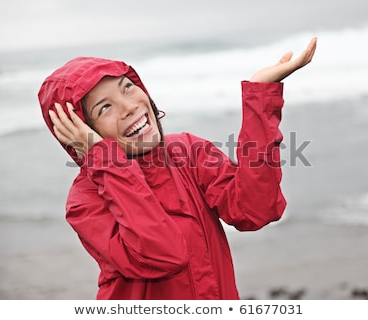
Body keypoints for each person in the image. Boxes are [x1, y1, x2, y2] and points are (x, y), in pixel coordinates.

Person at [37, 37, 317, 300]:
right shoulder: (85, 202)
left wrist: (260, 97)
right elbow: (164, 255)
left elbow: (255, 210)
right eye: (105, 107)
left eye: (127, 87)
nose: (130, 107)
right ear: (81, 132)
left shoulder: (188, 152)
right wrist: (106, 163)